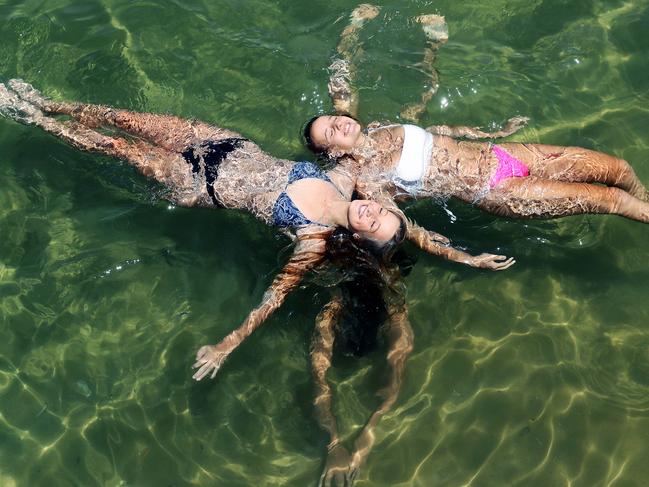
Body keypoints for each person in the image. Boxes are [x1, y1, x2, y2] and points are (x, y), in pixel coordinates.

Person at [0, 80, 513, 381]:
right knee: (124, 119)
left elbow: (273, 298)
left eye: (372, 224)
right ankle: (49, 101)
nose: (369, 214)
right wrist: (462, 254)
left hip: (196, 183)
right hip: (224, 142)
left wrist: (227, 344)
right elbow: (404, 223)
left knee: (109, 146)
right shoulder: (344, 176)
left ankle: (34, 119)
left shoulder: (311, 239)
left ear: (358, 239)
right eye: (377, 212)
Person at [305, 9, 649, 224]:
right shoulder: (368, 182)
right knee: (612, 199)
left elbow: (435, 132)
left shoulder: (381, 128)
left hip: (501, 154)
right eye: (331, 132)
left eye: (332, 119)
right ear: (334, 152)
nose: (338, 123)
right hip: (497, 190)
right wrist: (459, 254)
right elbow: (397, 228)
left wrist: (490, 132)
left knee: (619, 168)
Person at [312, 228, 414, 487]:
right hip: (374, 265)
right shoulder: (392, 312)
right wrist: (355, 438)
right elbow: (393, 380)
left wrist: (342, 442)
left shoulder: (390, 312)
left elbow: (320, 381)